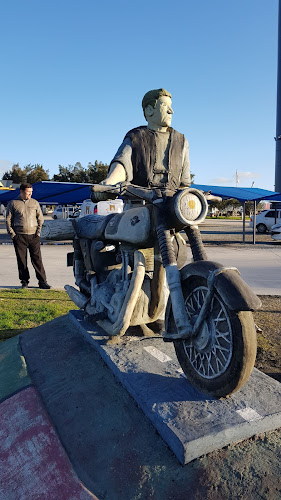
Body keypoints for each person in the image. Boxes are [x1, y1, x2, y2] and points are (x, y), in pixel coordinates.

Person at [96, 88, 191, 191]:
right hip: (140, 202)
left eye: (171, 106)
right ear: (149, 110)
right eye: (164, 105)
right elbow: (123, 162)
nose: (171, 111)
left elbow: (184, 183)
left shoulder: (181, 141)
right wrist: (109, 182)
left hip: (173, 203)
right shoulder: (136, 137)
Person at [6, 183, 51, 289]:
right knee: (21, 260)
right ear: (21, 192)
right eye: (28, 192)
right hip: (19, 236)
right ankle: (24, 281)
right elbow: (8, 219)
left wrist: (38, 233)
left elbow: (40, 218)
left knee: (37, 259)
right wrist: (12, 234)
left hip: (33, 236)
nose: (30, 194)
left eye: (31, 192)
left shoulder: (35, 203)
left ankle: (42, 282)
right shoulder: (13, 203)